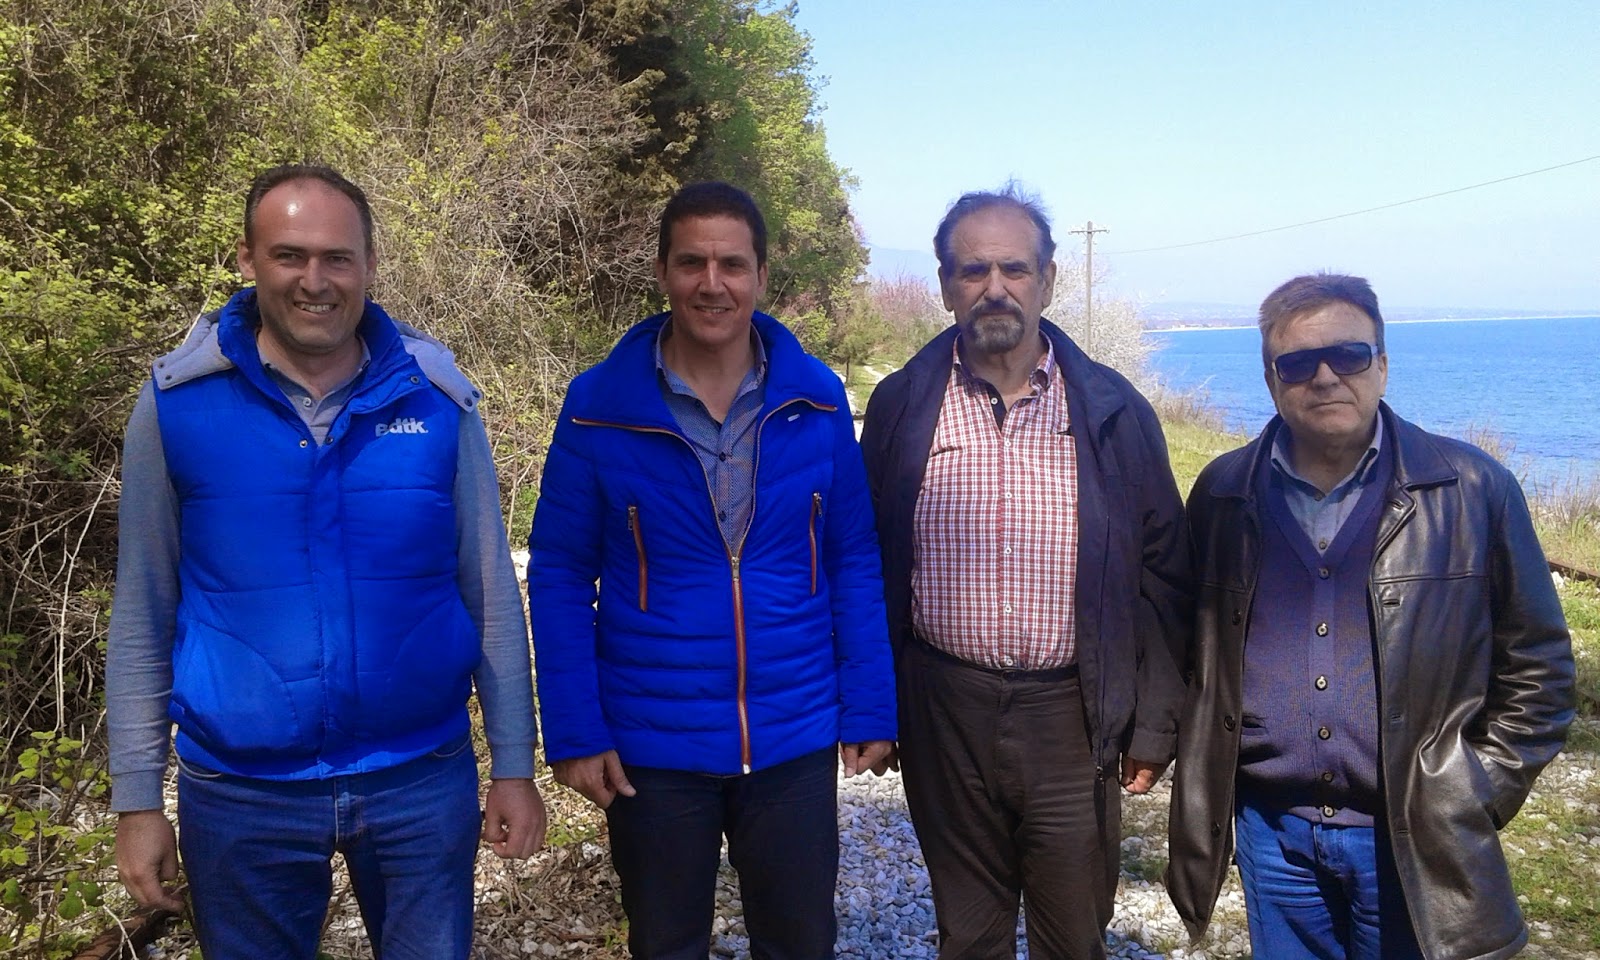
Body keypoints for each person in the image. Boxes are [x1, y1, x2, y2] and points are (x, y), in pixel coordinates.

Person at [106, 164, 546, 960]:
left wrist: (514, 765)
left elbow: (488, 592)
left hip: (420, 778)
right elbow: (143, 609)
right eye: (289, 255)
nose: (315, 280)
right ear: (247, 259)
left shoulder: (437, 400)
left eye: (337, 258)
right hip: (242, 796)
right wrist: (136, 800)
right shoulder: (177, 406)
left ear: (370, 265)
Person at [527, 181, 896, 960]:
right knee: (665, 945)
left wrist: (868, 703)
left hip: (793, 731)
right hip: (651, 742)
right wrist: (574, 728)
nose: (712, 283)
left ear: (761, 276)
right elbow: (559, 572)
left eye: (732, 264)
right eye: (692, 262)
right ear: (663, 271)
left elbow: (853, 555)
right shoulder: (598, 406)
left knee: (801, 944)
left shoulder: (818, 401)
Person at [1166, 273, 1575, 960]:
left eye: (1349, 356)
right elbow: (1193, 648)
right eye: (1298, 363)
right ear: (1271, 381)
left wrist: (1475, 789)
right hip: (1271, 834)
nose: (1325, 377)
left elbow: (1539, 666)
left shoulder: (1471, 489)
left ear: (1382, 365)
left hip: (1411, 831)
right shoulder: (1224, 492)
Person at [859, 185, 1191, 960]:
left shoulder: (1112, 410)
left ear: (1047, 280)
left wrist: (1153, 723)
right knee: (969, 935)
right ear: (946, 286)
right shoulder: (903, 405)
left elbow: (1165, 576)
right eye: (973, 270)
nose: (995, 287)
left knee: (1072, 935)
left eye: (1014, 268)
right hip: (943, 709)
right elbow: (864, 561)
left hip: (1072, 717)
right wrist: (873, 706)